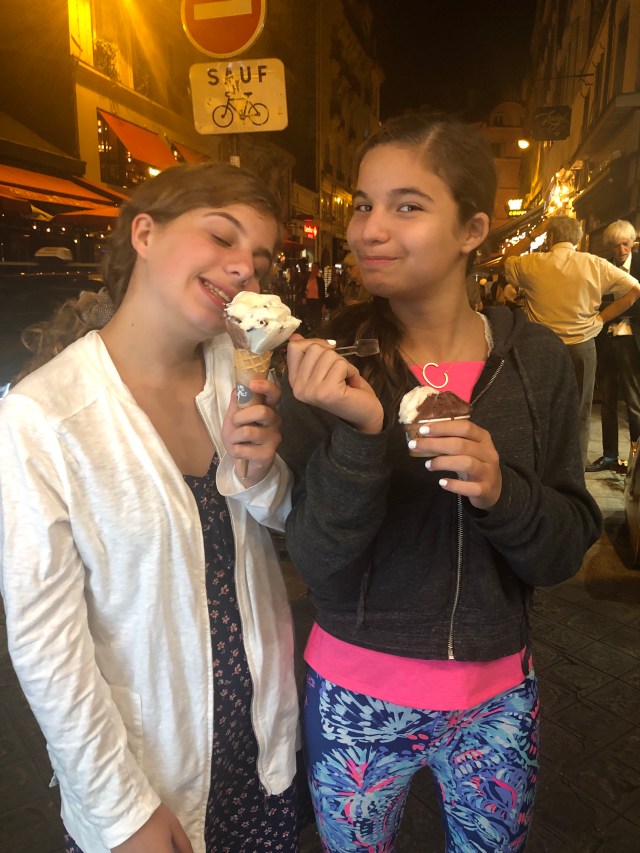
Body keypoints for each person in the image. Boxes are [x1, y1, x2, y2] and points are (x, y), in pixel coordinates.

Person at [278, 112, 601, 852]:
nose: (369, 229)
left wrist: (501, 490)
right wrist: (362, 437)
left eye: (407, 206)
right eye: (364, 204)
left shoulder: (538, 362)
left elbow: (562, 550)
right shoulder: (330, 366)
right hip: (354, 694)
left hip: (496, 699)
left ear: (472, 229)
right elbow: (316, 560)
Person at [0, 163, 300, 853]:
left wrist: (263, 472)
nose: (243, 268)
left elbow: (282, 521)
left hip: (263, 751)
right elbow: (47, 646)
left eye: (259, 260)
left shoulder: (237, 371)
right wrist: (122, 809)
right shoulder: (42, 416)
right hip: (148, 777)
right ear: (144, 233)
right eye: (221, 236)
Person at [504, 214, 640, 466]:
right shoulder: (594, 263)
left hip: (542, 345)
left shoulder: (532, 262)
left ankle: (542, 465)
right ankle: (574, 469)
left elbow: (506, 257)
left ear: (551, 237)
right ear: (578, 238)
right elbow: (634, 289)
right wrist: (601, 318)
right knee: (580, 410)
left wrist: (534, 233)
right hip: (582, 344)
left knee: (541, 406)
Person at [587, 219, 640, 473]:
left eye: (626, 244)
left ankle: (636, 461)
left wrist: (617, 310)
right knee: (607, 399)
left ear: (633, 242)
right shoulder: (604, 267)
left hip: (632, 341)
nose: (621, 250)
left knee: (634, 401)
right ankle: (609, 456)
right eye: (616, 245)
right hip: (607, 340)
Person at [300, 261, 325, 333]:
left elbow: (323, 294)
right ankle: (310, 333)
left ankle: (316, 334)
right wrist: (303, 298)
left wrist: (323, 306)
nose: (313, 269)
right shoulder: (306, 280)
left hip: (317, 302)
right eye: (312, 268)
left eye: (315, 268)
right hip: (309, 302)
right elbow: (302, 290)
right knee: (309, 319)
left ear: (318, 269)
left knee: (317, 320)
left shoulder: (320, 280)